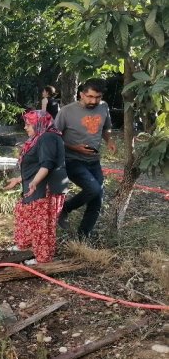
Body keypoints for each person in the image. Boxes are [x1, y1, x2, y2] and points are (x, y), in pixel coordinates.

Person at [53, 78, 117, 239]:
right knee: (94, 189)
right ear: (81, 94)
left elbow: (106, 128)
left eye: (97, 97)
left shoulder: (104, 107)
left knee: (97, 199)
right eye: (89, 96)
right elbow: (53, 137)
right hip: (72, 160)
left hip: (94, 161)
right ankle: (65, 209)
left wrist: (109, 141)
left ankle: (83, 237)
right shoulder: (66, 111)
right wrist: (75, 147)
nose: (93, 101)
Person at [4, 110, 69, 265]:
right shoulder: (40, 137)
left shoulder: (48, 137)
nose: (25, 128)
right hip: (36, 185)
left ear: (39, 124)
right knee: (24, 213)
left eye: (29, 124)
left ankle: (43, 259)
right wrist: (19, 180)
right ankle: (25, 245)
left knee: (42, 224)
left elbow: (47, 165)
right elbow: (35, 166)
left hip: (46, 187)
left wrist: (34, 183)